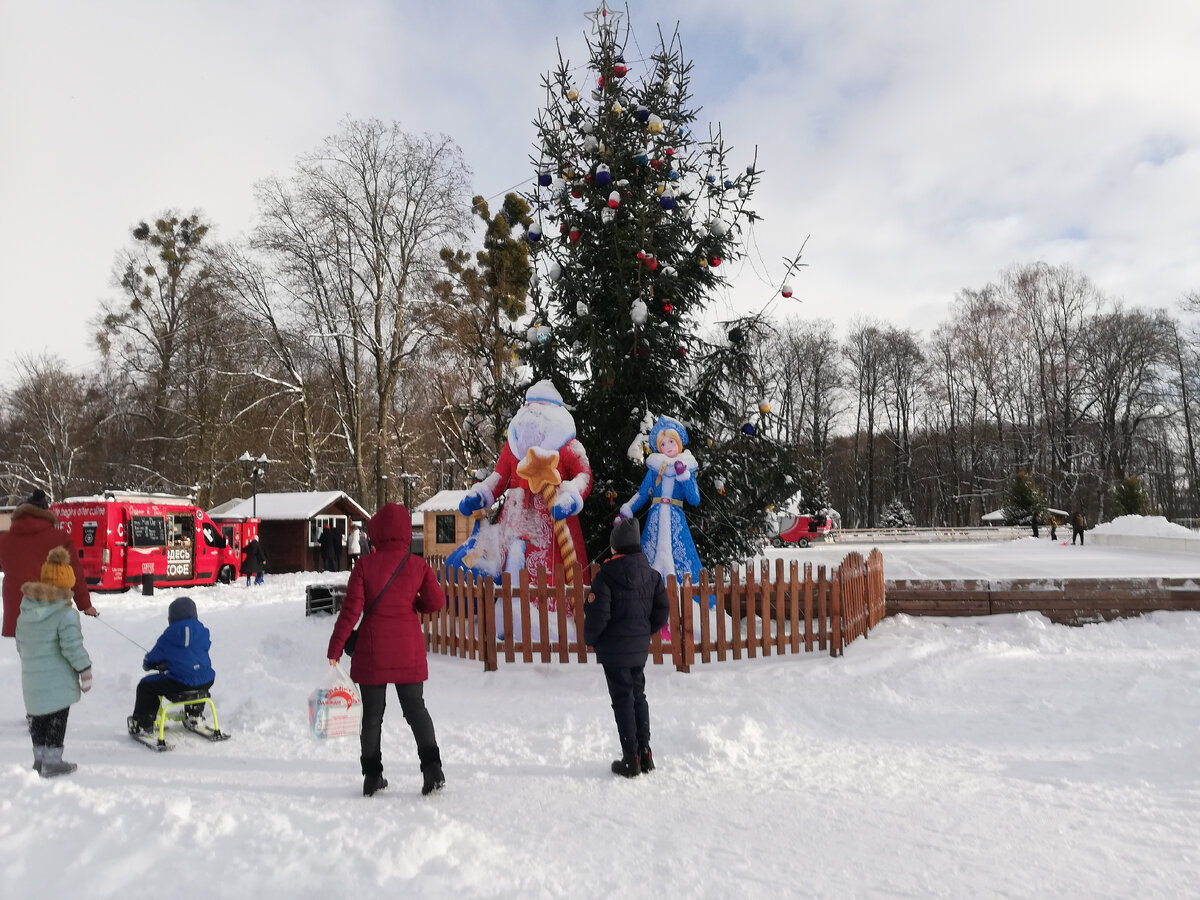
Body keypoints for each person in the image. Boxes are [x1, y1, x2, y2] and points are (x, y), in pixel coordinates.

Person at [327, 503, 446, 797]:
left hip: (373, 650)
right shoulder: (418, 565)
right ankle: (432, 769)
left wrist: (335, 647)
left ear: (377, 531)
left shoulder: (365, 566)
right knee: (416, 710)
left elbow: (350, 612)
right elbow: (436, 602)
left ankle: (372, 776)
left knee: (371, 716)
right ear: (406, 531)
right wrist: (413, 605)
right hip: (408, 648)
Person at [449, 380, 593, 587]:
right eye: (530, 409)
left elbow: (584, 474)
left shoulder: (567, 445)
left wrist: (570, 497)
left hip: (553, 518)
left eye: (540, 410)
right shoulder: (513, 447)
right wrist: (482, 494)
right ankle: (512, 609)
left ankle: (553, 613)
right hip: (515, 516)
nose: (533, 415)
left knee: (552, 569)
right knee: (512, 560)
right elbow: (500, 476)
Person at [583, 517, 670, 778]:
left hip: (614, 650)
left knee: (622, 699)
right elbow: (662, 611)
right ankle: (645, 753)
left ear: (616, 547)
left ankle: (630, 759)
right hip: (638, 648)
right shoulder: (652, 576)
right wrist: (645, 632)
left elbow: (599, 616)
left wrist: (591, 639)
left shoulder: (606, 577)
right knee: (638, 697)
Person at [16, 546, 94, 777]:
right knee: (56, 720)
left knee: (37, 719)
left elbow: (20, 645)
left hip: (31, 681)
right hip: (57, 681)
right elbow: (71, 647)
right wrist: (85, 670)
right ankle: (52, 762)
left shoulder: (26, 611)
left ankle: (39, 760)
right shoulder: (66, 614)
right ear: (66, 586)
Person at [618, 415, 703, 589]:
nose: (667, 447)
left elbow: (694, 499)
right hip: (655, 518)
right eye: (662, 444)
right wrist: (628, 509)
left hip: (675, 519)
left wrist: (684, 477)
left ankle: (686, 599)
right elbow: (642, 494)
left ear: (678, 443)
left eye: (671, 442)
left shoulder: (686, 468)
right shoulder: (655, 469)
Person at [0, 489, 98, 639]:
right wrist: (85, 605)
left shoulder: (4, 540)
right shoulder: (60, 538)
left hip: (16, 614)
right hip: (50, 610)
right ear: (46, 513)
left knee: (27, 657)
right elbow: (75, 573)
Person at [127, 596, 214, 736]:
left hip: (179, 683)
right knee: (195, 677)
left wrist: (148, 663)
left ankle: (144, 724)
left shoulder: (169, 635)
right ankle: (194, 715)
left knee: (145, 686)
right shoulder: (203, 631)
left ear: (171, 617)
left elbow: (152, 658)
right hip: (206, 680)